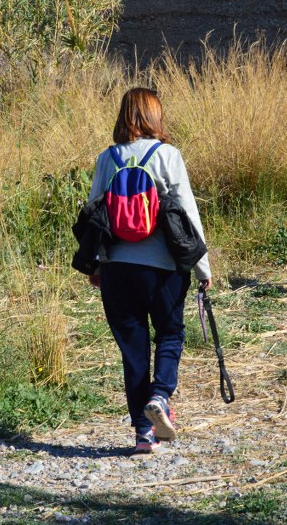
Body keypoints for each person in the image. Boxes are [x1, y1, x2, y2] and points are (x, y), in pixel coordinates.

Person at [87, 87, 212, 454]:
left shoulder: (107, 159)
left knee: (134, 350)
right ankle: (160, 395)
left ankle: (143, 434)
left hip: (117, 270)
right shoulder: (167, 156)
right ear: (154, 118)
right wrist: (203, 267)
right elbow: (188, 213)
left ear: (124, 116)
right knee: (170, 333)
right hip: (164, 269)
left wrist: (96, 265)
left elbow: (95, 215)